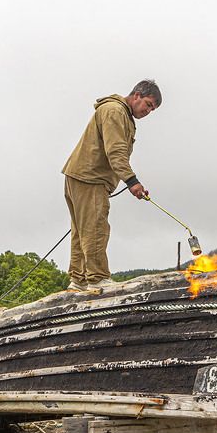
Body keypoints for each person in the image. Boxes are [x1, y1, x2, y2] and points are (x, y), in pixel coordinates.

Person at [62, 79, 162, 291]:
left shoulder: (117, 111)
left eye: (152, 109)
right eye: (148, 104)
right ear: (136, 95)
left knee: (81, 231)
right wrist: (132, 181)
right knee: (95, 228)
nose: (148, 111)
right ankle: (97, 279)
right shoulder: (115, 111)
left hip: (79, 175)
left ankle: (78, 281)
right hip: (91, 177)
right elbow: (115, 151)